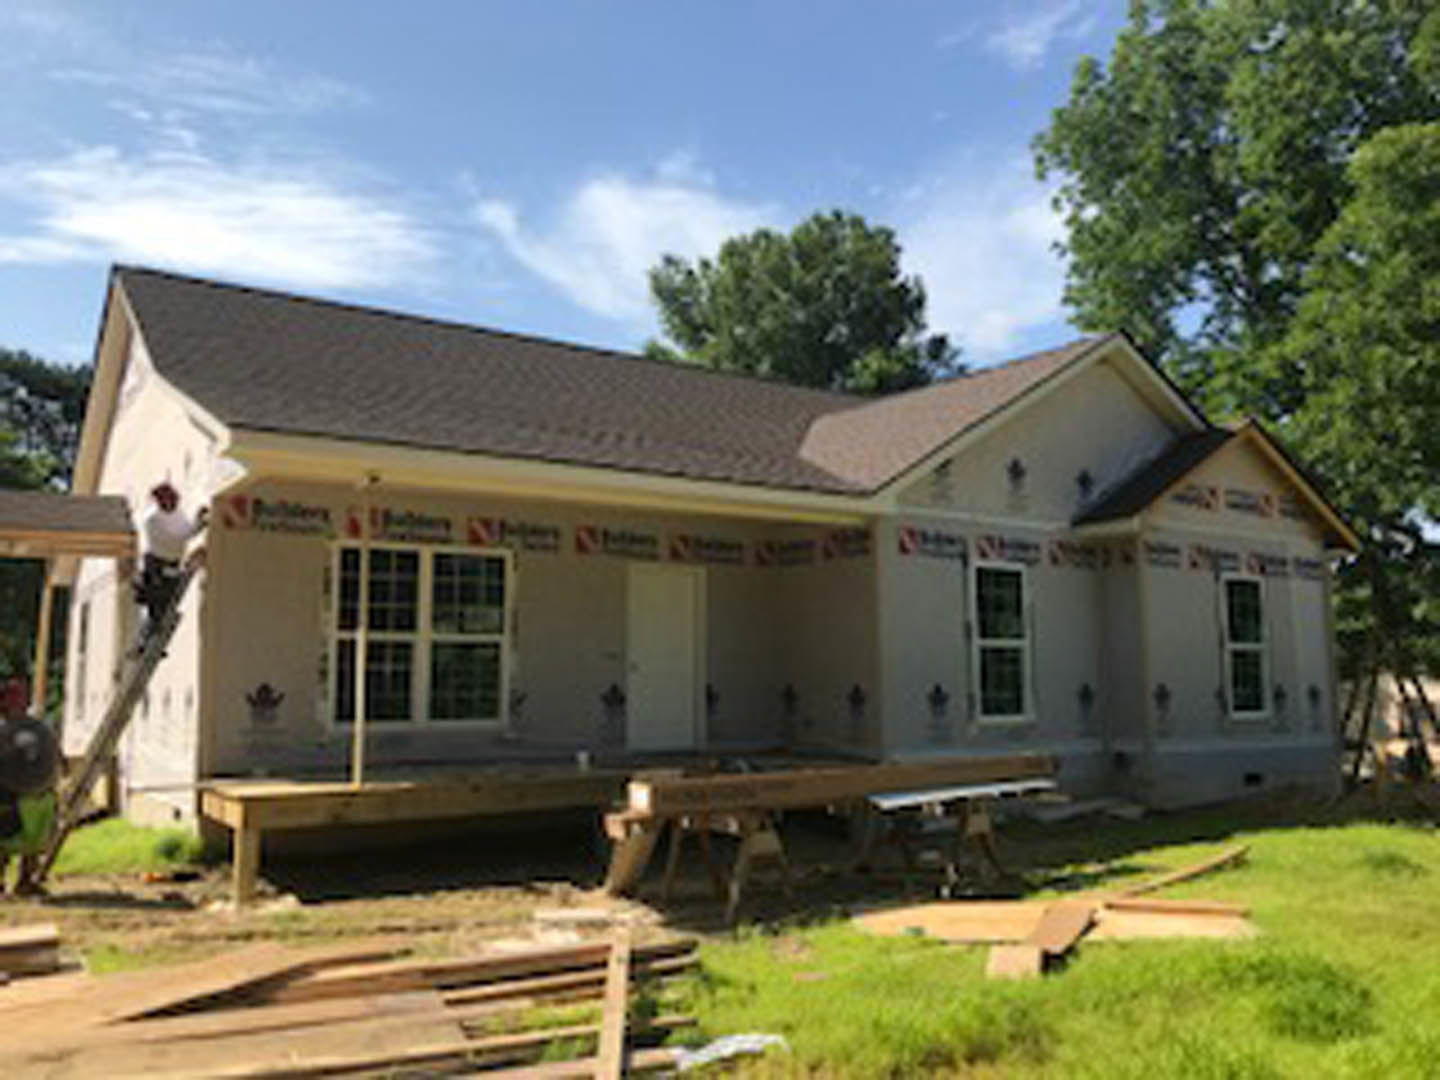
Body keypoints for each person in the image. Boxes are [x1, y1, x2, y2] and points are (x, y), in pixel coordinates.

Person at [0, 678, 57, 897]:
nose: (19, 700)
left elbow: (45, 753)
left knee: (34, 840)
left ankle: (25, 881)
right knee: (3, 839)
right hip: (6, 792)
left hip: (35, 792)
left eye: (21, 695)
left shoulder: (36, 727)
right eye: (13, 695)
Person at [134, 481, 208, 650]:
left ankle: (153, 639)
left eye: (174, 500)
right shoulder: (152, 519)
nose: (172, 504)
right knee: (156, 605)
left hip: (172, 562)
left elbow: (186, 529)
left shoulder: (177, 512)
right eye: (168, 501)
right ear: (160, 501)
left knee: (169, 601)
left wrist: (198, 521)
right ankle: (145, 642)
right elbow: (176, 539)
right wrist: (199, 524)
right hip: (157, 563)